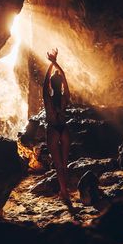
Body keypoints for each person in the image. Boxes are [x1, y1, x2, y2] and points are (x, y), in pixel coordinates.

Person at [43, 49, 71, 203]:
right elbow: (64, 76)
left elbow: (45, 83)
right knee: (65, 164)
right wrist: (56, 63)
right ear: (60, 84)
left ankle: (64, 192)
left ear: (51, 85)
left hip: (53, 129)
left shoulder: (47, 98)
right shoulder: (65, 96)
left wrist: (50, 65)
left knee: (58, 165)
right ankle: (64, 191)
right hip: (64, 129)